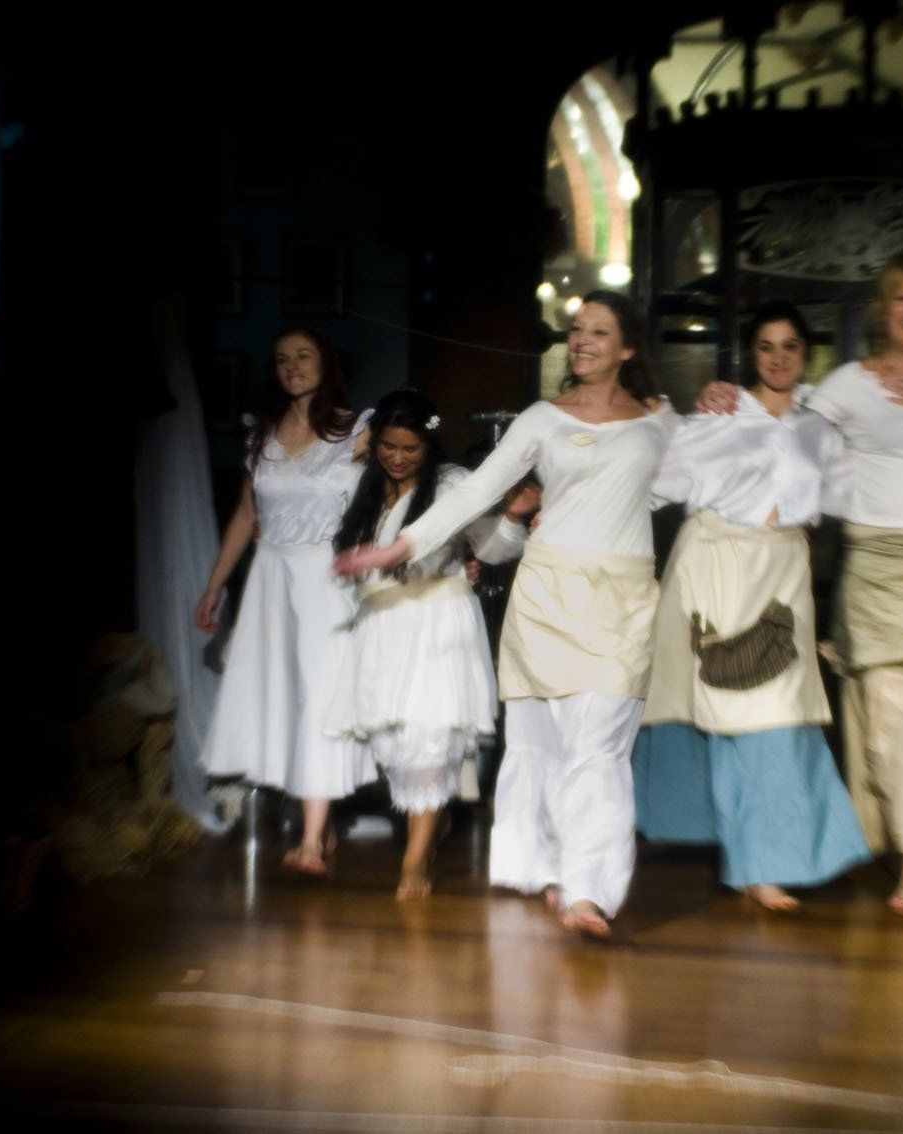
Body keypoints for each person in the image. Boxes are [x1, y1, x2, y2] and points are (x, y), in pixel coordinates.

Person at [335, 291, 676, 937]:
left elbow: (687, 480)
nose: (582, 340)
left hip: (622, 598)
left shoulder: (658, 420)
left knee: (600, 744)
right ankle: (546, 866)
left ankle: (588, 892)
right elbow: (478, 490)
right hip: (547, 593)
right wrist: (402, 546)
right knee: (541, 740)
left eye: (599, 331)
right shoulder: (543, 418)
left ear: (628, 347)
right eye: (576, 329)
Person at [699, 254, 903, 916]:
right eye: (902, 298)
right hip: (874, 565)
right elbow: (784, 429)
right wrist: (724, 402)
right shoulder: (849, 382)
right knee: (886, 722)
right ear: (883, 310)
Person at [634, 302, 871, 911]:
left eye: (790, 345)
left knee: (780, 716)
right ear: (750, 355)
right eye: (766, 346)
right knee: (727, 712)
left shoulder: (822, 428)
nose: (778, 357)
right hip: (715, 569)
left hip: (782, 574)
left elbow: (850, 501)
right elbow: (656, 486)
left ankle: (768, 856)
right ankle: (755, 862)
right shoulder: (715, 417)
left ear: (806, 353)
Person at [330, 389, 538, 900]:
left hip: (438, 621)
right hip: (383, 625)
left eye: (410, 449)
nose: (398, 458)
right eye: (388, 446)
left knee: (430, 739)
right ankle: (433, 821)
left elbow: (493, 549)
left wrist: (512, 518)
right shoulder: (361, 483)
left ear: (429, 445)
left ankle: (415, 857)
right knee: (396, 747)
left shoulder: (451, 483)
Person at [195, 326, 374, 876]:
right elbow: (245, 515)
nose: (292, 366)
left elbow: (390, 496)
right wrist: (215, 585)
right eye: (281, 359)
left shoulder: (356, 431)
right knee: (281, 695)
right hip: (270, 576)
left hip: (326, 577)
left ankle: (312, 839)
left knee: (320, 696)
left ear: (325, 363)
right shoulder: (261, 434)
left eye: (303, 355)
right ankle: (316, 819)